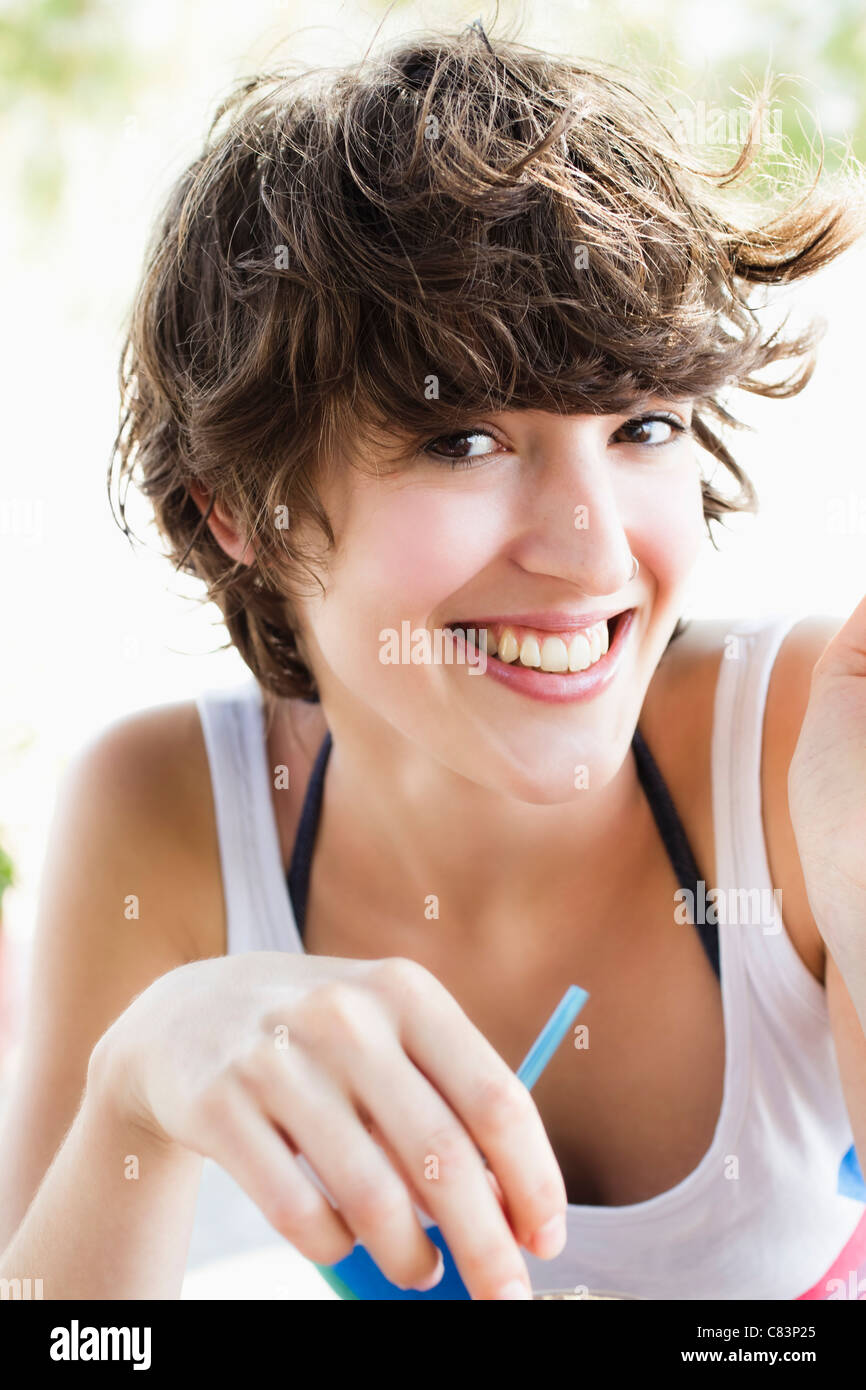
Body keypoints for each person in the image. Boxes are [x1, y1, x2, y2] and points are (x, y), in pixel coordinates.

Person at [2, 23, 866, 1301]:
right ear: (241, 507)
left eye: (640, 423)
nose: (586, 555)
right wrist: (131, 1096)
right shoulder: (162, 808)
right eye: (461, 439)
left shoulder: (807, 748)